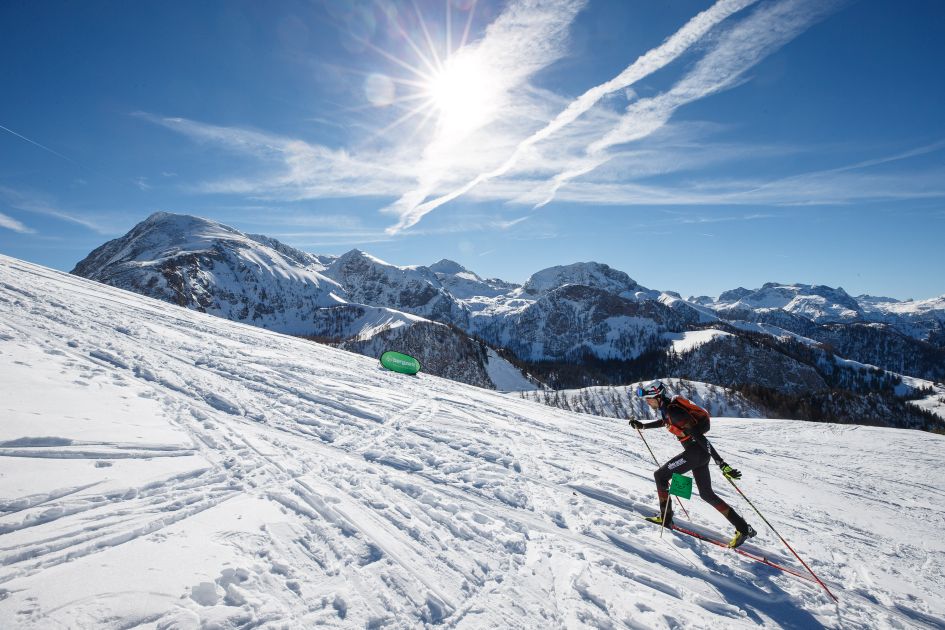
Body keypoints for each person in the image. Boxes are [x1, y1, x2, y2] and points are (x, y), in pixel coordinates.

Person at [629, 380, 757, 549]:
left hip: (695, 453)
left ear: (658, 397)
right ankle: (742, 528)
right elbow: (666, 422)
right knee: (706, 494)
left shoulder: (674, 412)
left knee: (660, 476)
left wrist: (721, 463)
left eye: (649, 398)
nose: (647, 402)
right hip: (699, 455)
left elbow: (700, 437)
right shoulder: (668, 409)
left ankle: (665, 518)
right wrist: (644, 426)